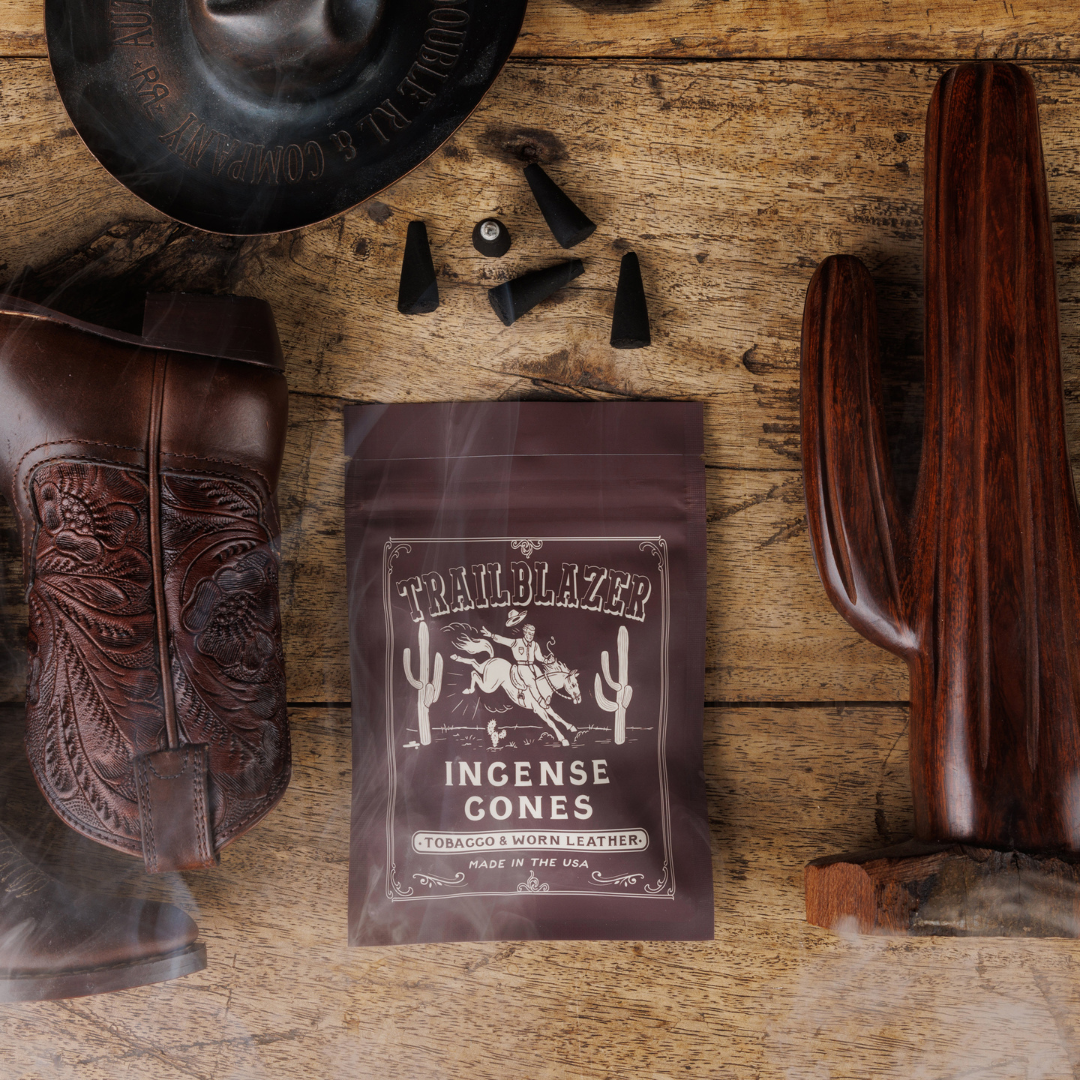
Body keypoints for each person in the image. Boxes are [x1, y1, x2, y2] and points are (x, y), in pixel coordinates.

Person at [482, 623, 552, 707]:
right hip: (522, 667)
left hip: (533, 666)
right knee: (531, 683)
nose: (531, 636)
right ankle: (541, 702)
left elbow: (539, 657)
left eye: (532, 634)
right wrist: (491, 635)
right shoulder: (516, 642)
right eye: (529, 633)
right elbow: (502, 640)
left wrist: (547, 660)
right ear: (525, 633)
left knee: (542, 679)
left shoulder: (535, 645)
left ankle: (547, 696)